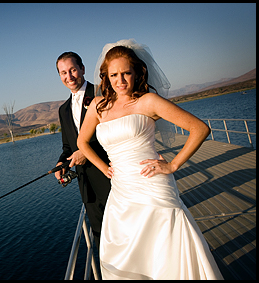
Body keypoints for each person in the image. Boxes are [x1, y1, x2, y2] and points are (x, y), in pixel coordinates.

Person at [77, 39, 223, 279]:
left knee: (166, 251)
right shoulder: (98, 106)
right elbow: (82, 142)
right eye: (114, 75)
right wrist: (104, 168)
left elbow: (199, 128)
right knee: (124, 252)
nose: (120, 81)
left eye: (126, 73)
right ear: (106, 76)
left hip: (153, 185)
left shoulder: (148, 102)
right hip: (121, 190)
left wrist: (173, 164)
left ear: (137, 72)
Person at [54, 51, 112, 252]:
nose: (69, 77)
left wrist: (85, 153)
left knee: (124, 232)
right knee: (100, 237)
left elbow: (114, 133)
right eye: (63, 73)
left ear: (82, 69)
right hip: (86, 184)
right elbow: (68, 147)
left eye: (72, 70)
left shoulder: (102, 93)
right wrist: (61, 163)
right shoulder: (63, 110)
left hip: (111, 176)